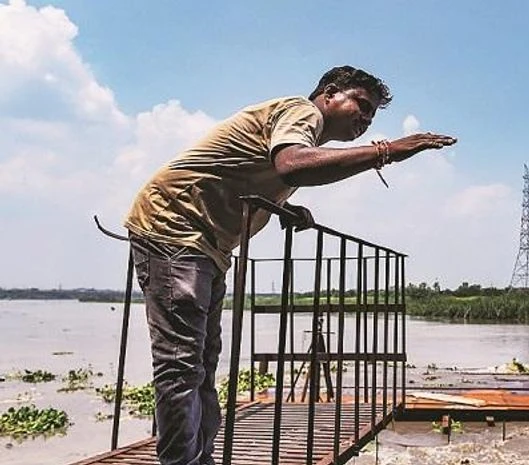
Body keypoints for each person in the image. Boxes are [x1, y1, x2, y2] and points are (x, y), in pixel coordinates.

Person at [123, 65, 456, 465]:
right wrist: (387, 151)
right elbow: (292, 165)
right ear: (330, 94)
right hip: (174, 229)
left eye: (371, 117)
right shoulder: (303, 112)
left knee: (202, 366)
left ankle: (202, 458)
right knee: (181, 365)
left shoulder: (302, 133)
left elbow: (262, 172)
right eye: (361, 105)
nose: (365, 120)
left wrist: (285, 206)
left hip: (206, 245)